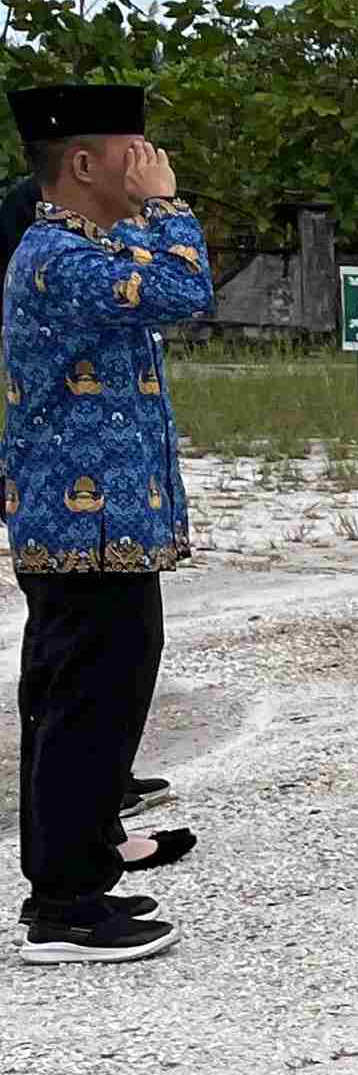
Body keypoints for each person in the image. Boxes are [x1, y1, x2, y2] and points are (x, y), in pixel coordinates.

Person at [4, 84, 212, 963]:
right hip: (80, 530)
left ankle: (84, 852)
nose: (151, 161)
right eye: (137, 149)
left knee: (86, 693)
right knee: (87, 697)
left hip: (101, 527)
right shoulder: (58, 256)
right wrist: (170, 205)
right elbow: (184, 289)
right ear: (83, 164)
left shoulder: (84, 244)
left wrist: (149, 211)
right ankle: (64, 904)